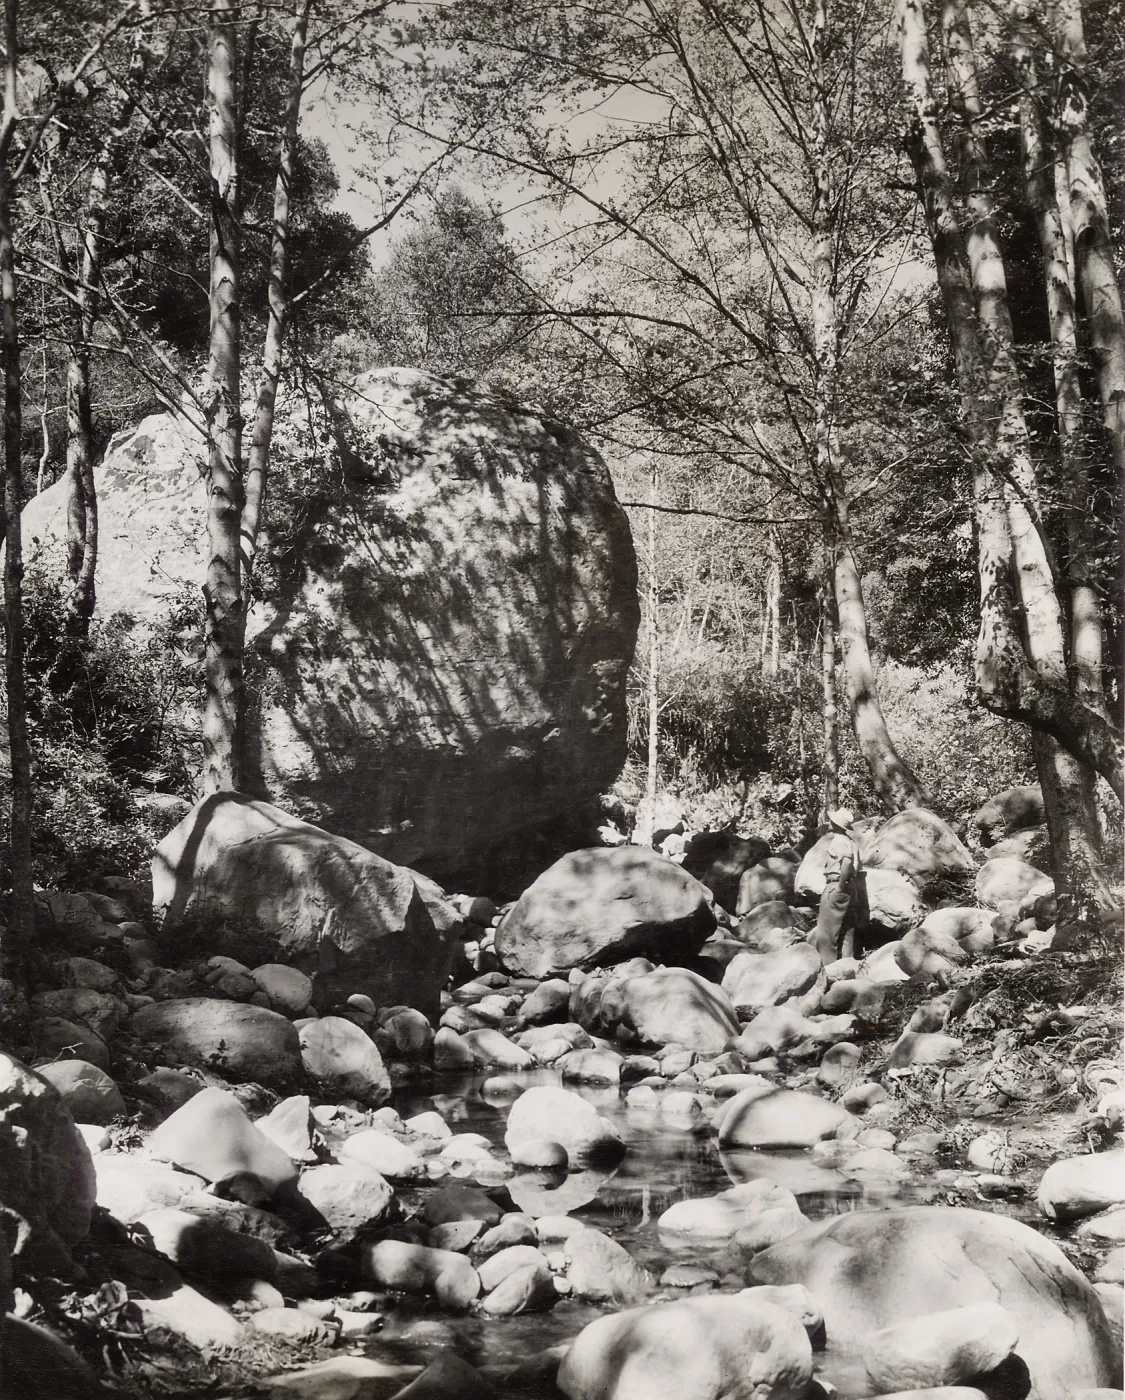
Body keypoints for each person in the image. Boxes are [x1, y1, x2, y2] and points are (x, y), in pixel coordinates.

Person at [813, 807, 868, 965]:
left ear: (835, 824)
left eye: (831, 820)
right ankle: (846, 968)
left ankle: (827, 972)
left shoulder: (839, 840)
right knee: (846, 931)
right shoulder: (851, 842)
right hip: (851, 888)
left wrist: (840, 885)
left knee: (826, 934)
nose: (829, 822)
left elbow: (847, 861)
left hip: (838, 885)